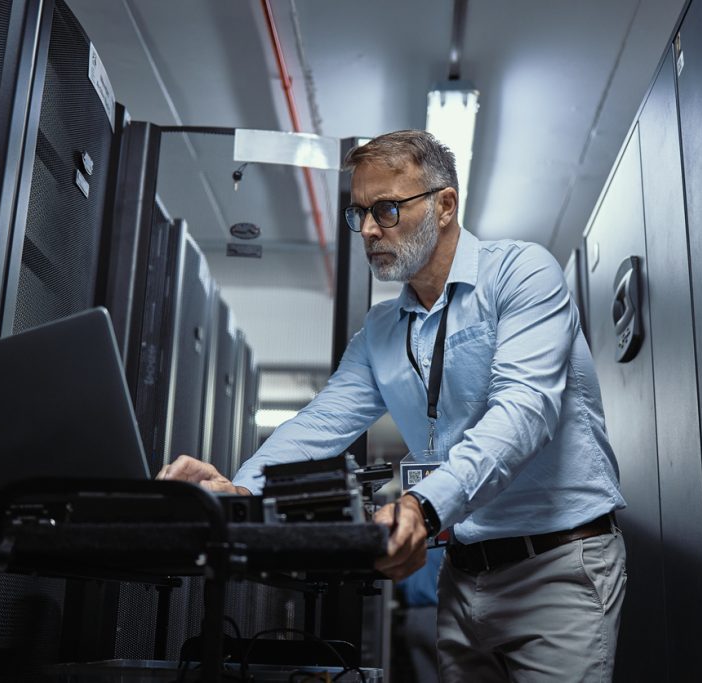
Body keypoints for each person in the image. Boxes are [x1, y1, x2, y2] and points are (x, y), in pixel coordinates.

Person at [160, 129, 627, 681]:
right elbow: (320, 424)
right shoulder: (381, 331)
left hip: (556, 568)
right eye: (359, 213)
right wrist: (242, 491)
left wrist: (421, 507)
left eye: (386, 208)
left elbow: (523, 411)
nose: (369, 230)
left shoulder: (521, 275)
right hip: (463, 576)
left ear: (445, 205)